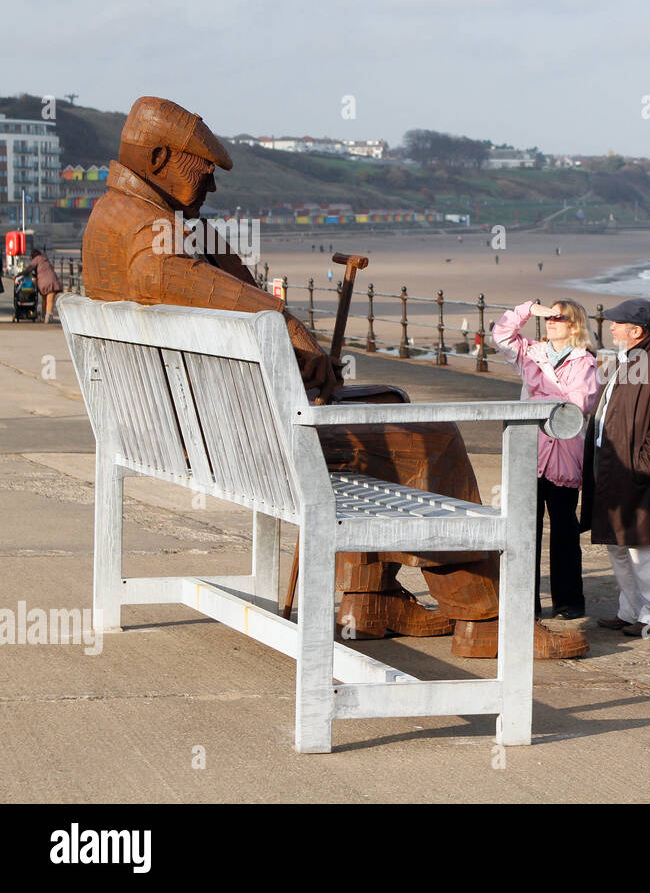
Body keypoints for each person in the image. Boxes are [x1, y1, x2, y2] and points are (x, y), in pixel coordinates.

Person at [79, 96, 585, 658]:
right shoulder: (148, 233)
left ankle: (366, 601)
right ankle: (486, 618)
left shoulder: (116, 217)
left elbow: (196, 276)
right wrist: (287, 322)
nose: (212, 188)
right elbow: (161, 275)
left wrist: (210, 247)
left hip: (180, 433)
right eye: (203, 171)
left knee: (390, 402)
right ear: (156, 157)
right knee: (430, 439)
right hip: (252, 447)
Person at [581, 298, 650, 638]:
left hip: (639, 475)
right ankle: (630, 611)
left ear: (636, 330)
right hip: (612, 470)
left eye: (617, 323)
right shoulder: (624, 362)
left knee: (647, 547)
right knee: (619, 544)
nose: (611, 327)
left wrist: (642, 469)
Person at [492, 298, 600, 625]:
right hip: (529, 449)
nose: (552, 322)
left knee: (564, 528)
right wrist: (527, 310)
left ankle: (569, 601)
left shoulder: (584, 361)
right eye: (549, 318)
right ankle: (527, 601)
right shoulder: (531, 352)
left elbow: (579, 403)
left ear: (574, 325)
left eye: (559, 318)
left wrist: (538, 401)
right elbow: (501, 336)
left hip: (564, 453)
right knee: (527, 528)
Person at [25, 249, 63, 323]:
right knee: (50, 301)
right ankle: (48, 317)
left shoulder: (36, 259)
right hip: (52, 281)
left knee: (44, 299)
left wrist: (19, 275)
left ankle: (43, 315)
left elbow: (28, 270)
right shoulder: (45, 259)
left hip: (43, 283)